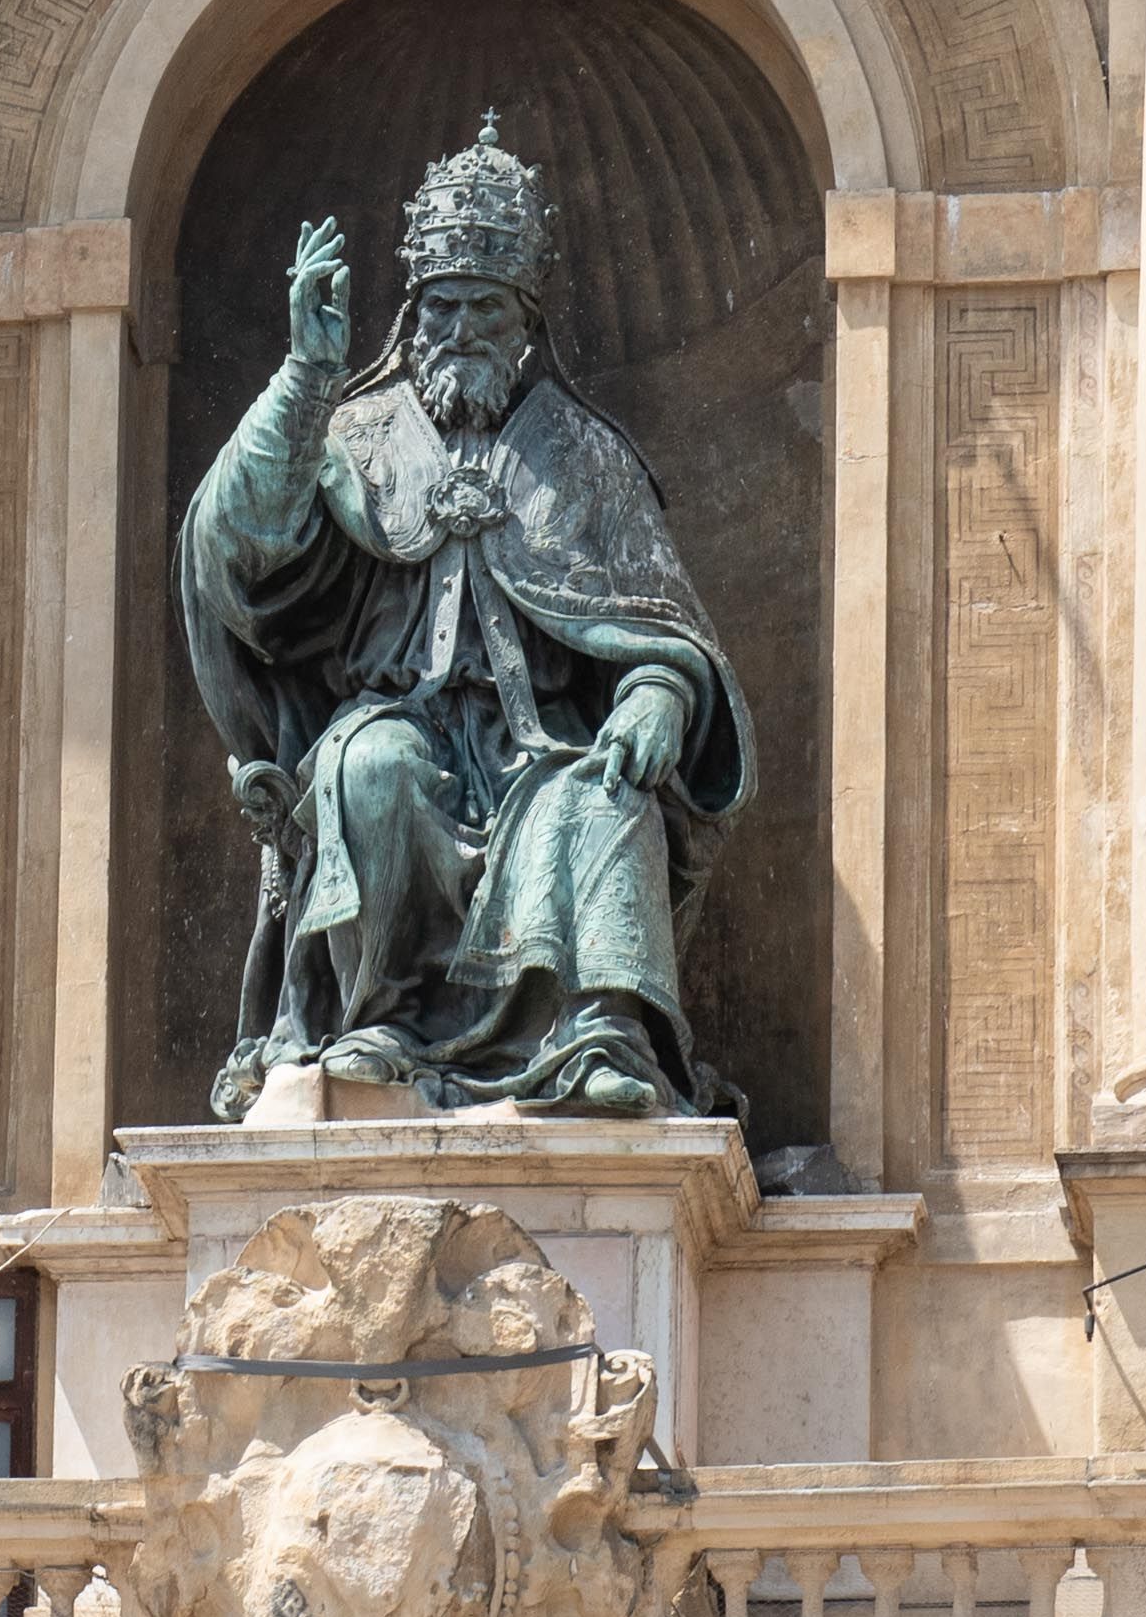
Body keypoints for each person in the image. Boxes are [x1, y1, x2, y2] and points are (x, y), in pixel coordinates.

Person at [175, 115, 754, 1119]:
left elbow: (662, 618)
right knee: (371, 770)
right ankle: (378, 1026)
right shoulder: (351, 435)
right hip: (392, 720)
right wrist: (304, 376)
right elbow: (240, 544)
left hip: (546, 748)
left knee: (601, 799)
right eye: (441, 309)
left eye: (485, 309)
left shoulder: (582, 455)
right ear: (409, 317)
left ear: (524, 322)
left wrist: (658, 691)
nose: (461, 333)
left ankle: (597, 1040)